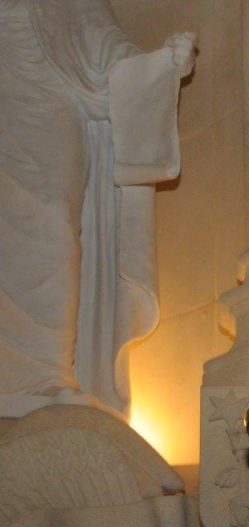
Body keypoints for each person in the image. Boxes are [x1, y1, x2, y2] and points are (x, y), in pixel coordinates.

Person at [0, 0, 195, 418]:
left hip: (47, 102)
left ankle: (43, 373)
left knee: (53, 224)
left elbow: (104, 46)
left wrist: (162, 65)